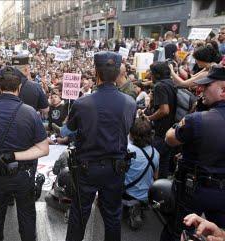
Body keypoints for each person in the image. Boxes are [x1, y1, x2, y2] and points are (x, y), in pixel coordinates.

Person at [65, 52, 136, 241]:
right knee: (112, 217)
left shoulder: (82, 103)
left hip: (87, 168)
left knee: (79, 215)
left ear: (96, 73)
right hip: (115, 168)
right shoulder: (130, 102)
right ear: (117, 74)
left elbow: (70, 128)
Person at [0, 66, 49, 241]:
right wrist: (16, 155)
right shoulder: (30, 112)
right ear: (19, 88)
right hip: (22, 175)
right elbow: (43, 149)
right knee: (26, 218)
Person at [164, 65, 225, 241]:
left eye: (207, 86)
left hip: (194, 189)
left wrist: (185, 120)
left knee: (179, 231)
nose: (201, 89)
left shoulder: (198, 120)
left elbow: (170, 139)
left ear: (223, 90)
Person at [123, 116, 159, 230]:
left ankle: (128, 205)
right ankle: (139, 206)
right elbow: (155, 178)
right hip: (146, 196)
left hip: (126, 194)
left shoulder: (127, 150)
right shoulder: (156, 153)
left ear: (132, 134)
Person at [144, 62, 177, 178]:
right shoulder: (170, 83)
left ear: (156, 74)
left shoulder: (160, 86)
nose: (149, 75)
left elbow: (164, 110)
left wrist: (149, 118)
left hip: (161, 133)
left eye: (151, 73)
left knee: (153, 164)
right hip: (168, 131)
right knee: (163, 164)